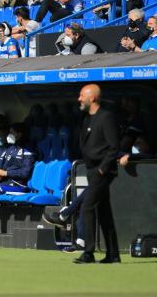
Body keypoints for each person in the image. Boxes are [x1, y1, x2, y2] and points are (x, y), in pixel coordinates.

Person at [73, 84, 120, 264]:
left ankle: (88, 252)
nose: (79, 99)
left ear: (92, 98)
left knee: (87, 206)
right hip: (91, 169)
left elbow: (113, 147)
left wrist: (102, 169)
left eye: (81, 95)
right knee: (104, 211)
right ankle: (113, 254)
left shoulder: (106, 117)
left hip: (102, 170)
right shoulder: (87, 119)